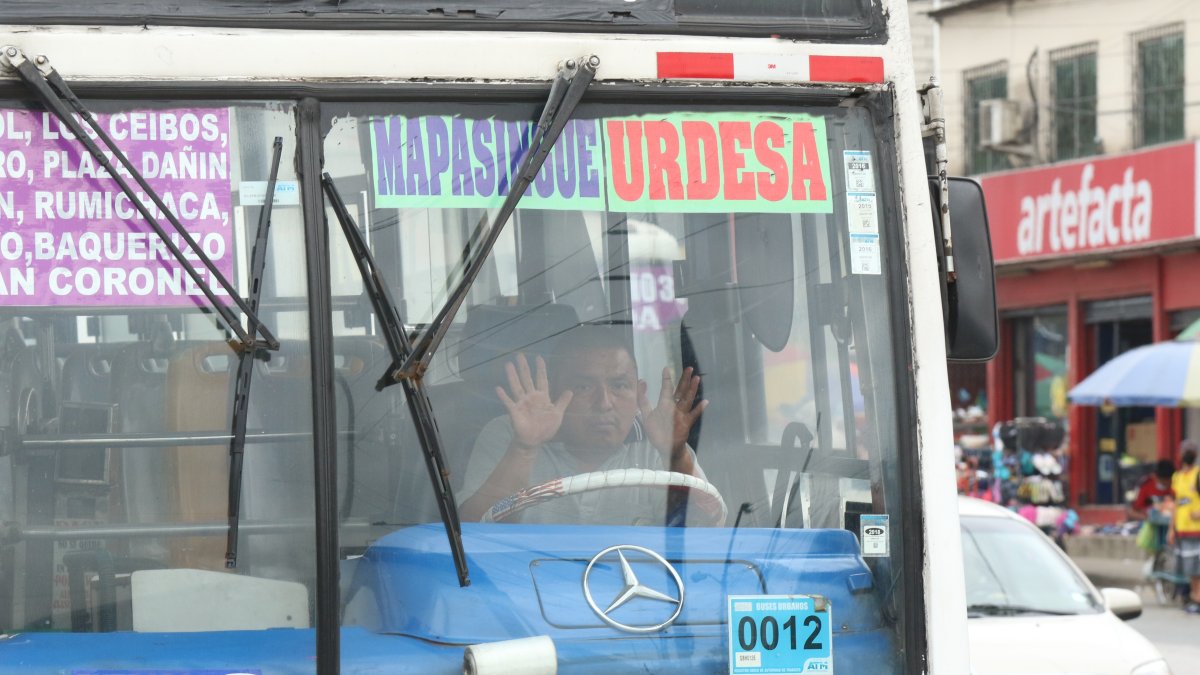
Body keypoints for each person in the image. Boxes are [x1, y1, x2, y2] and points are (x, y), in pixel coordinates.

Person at [459, 326, 708, 525]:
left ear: (638, 393)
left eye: (620, 386)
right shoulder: (512, 434)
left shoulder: (659, 445)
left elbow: (705, 535)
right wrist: (524, 448)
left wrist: (675, 455)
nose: (604, 403)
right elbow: (470, 531)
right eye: (584, 387)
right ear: (555, 393)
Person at [1169, 441, 1200, 613]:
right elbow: (1175, 504)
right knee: (1189, 567)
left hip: (1197, 529)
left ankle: (1197, 597)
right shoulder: (1177, 477)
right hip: (1182, 529)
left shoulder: (1198, 474)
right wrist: (1171, 528)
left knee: (1197, 567)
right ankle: (1195, 596)